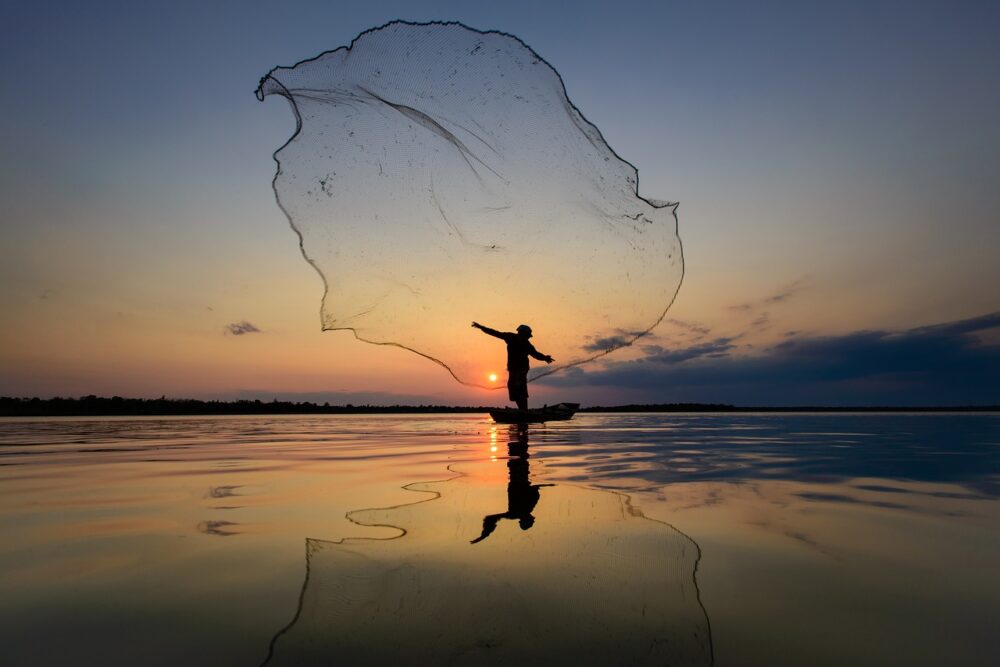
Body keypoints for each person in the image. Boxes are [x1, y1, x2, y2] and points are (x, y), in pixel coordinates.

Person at [472, 321, 553, 410]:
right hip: (513, 369)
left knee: (519, 388)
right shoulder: (511, 337)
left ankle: (523, 410)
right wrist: (481, 327)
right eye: (527, 336)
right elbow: (495, 333)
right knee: (513, 388)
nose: (527, 338)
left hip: (522, 369)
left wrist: (545, 358)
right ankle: (523, 410)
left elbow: (536, 354)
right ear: (521, 333)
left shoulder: (527, 344)